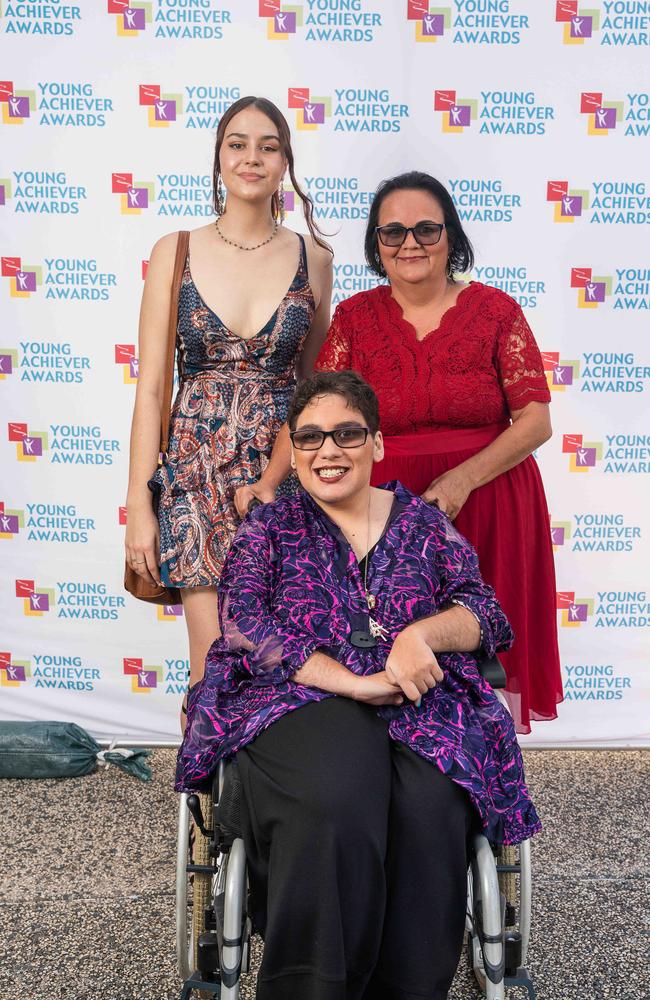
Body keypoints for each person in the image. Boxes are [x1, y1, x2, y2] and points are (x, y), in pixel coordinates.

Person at [177, 371, 541, 1000]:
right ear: (294, 449)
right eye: (310, 437)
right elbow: (244, 623)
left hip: (421, 702)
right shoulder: (271, 528)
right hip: (298, 695)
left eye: (347, 433)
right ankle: (313, 985)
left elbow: (487, 613)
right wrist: (351, 682)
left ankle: (409, 987)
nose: (328, 451)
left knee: (430, 810)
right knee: (335, 800)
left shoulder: (424, 524)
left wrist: (421, 635)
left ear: (375, 443)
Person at [315, 171, 562, 733]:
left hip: (490, 501)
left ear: (451, 234)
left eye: (427, 229)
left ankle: (492, 772)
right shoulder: (354, 318)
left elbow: (536, 420)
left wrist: (460, 481)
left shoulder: (497, 311)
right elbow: (322, 410)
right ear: (376, 244)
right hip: (387, 515)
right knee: (395, 648)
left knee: (489, 648)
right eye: (393, 231)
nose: (410, 243)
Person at [124, 96, 333, 717]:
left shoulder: (313, 260)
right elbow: (153, 390)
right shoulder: (176, 250)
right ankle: (208, 799)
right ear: (218, 157)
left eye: (268, 146)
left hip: (284, 475)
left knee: (285, 654)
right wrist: (140, 502)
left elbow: (315, 393)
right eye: (237, 143)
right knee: (210, 661)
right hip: (194, 472)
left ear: (285, 162)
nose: (252, 157)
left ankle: (275, 802)